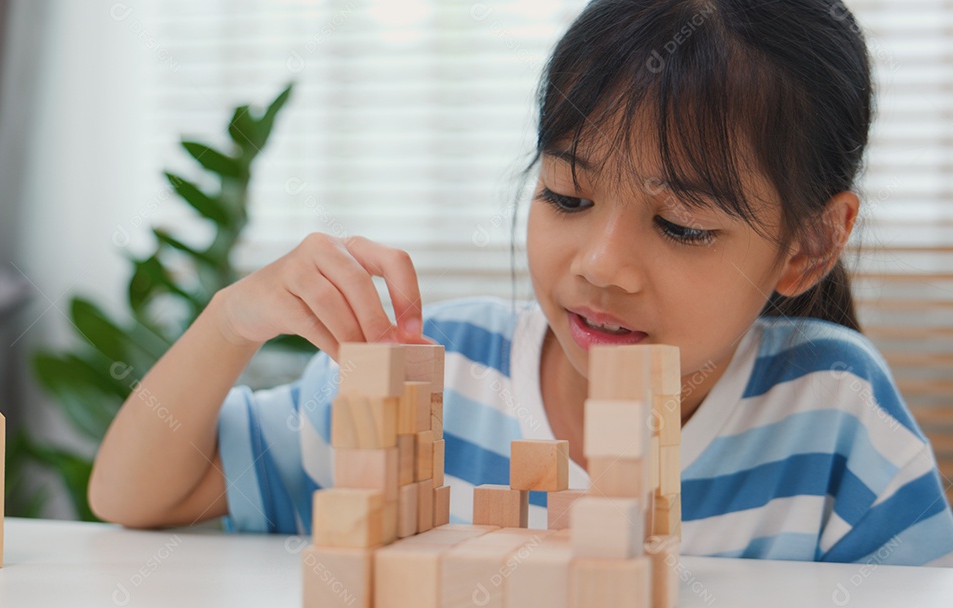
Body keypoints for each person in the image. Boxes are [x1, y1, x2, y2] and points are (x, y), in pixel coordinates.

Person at [89, 0, 953, 566]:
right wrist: (232, 319)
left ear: (807, 246)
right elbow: (134, 497)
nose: (600, 265)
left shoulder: (836, 416)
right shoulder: (442, 370)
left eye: (682, 224)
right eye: (566, 195)